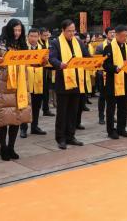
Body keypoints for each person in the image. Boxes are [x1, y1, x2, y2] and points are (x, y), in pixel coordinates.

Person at [0, 19, 33, 160]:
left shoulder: (23, 45)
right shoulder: (0, 44)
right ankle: (3, 147)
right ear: (9, 30)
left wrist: (41, 61)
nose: (17, 33)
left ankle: (11, 147)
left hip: (20, 86)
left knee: (16, 118)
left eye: (19, 30)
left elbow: (32, 60)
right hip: (4, 86)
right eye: (15, 30)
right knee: (3, 118)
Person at [48, 19, 90, 149]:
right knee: (62, 112)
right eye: (69, 31)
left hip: (77, 80)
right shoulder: (56, 43)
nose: (72, 33)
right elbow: (52, 58)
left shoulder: (78, 42)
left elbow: (86, 56)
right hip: (63, 82)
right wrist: (59, 64)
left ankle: (71, 136)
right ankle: (61, 138)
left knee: (73, 111)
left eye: (73, 31)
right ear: (63, 30)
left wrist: (95, 61)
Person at [102, 25, 127, 139]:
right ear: (117, 35)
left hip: (124, 81)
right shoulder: (108, 48)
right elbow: (105, 65)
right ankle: (111, 131)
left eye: (126, 36)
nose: (125, 38)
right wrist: (115, 68)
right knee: (111, 108)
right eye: (123, 36)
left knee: (123, 107)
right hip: (112, 83)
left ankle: (121, 128)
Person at [22, 27, 48, 136]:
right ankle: (23, 128)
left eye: (35, 36)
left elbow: (45, 63)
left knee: (37, 105)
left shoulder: (42, 48)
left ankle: (34, 126)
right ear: (28, 37)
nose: (33, 39)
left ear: (38, 37)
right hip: (26, 79)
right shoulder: (23, 47)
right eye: (31, 36)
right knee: (25, 105)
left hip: (38, 80)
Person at [95, 27, 114, 125]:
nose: (113, 34)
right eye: (111, 33)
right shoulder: (100, 46)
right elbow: (97, 61)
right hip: (102, 74)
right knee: (102, 96)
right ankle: (101, 116)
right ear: (106, 34)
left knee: (112, 96)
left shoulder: (117, 46)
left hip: (113, 74)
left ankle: (111, 115)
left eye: (114, 33)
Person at [38, 27, 55, 117]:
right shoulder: (38, 44)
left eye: (47, 35)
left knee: (46, 90)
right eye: (44, 35)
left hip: (48, 70)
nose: (46, 37)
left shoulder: (49, 43)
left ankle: (46, 109)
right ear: (40, 35)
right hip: (39, 69)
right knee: (40, 91)